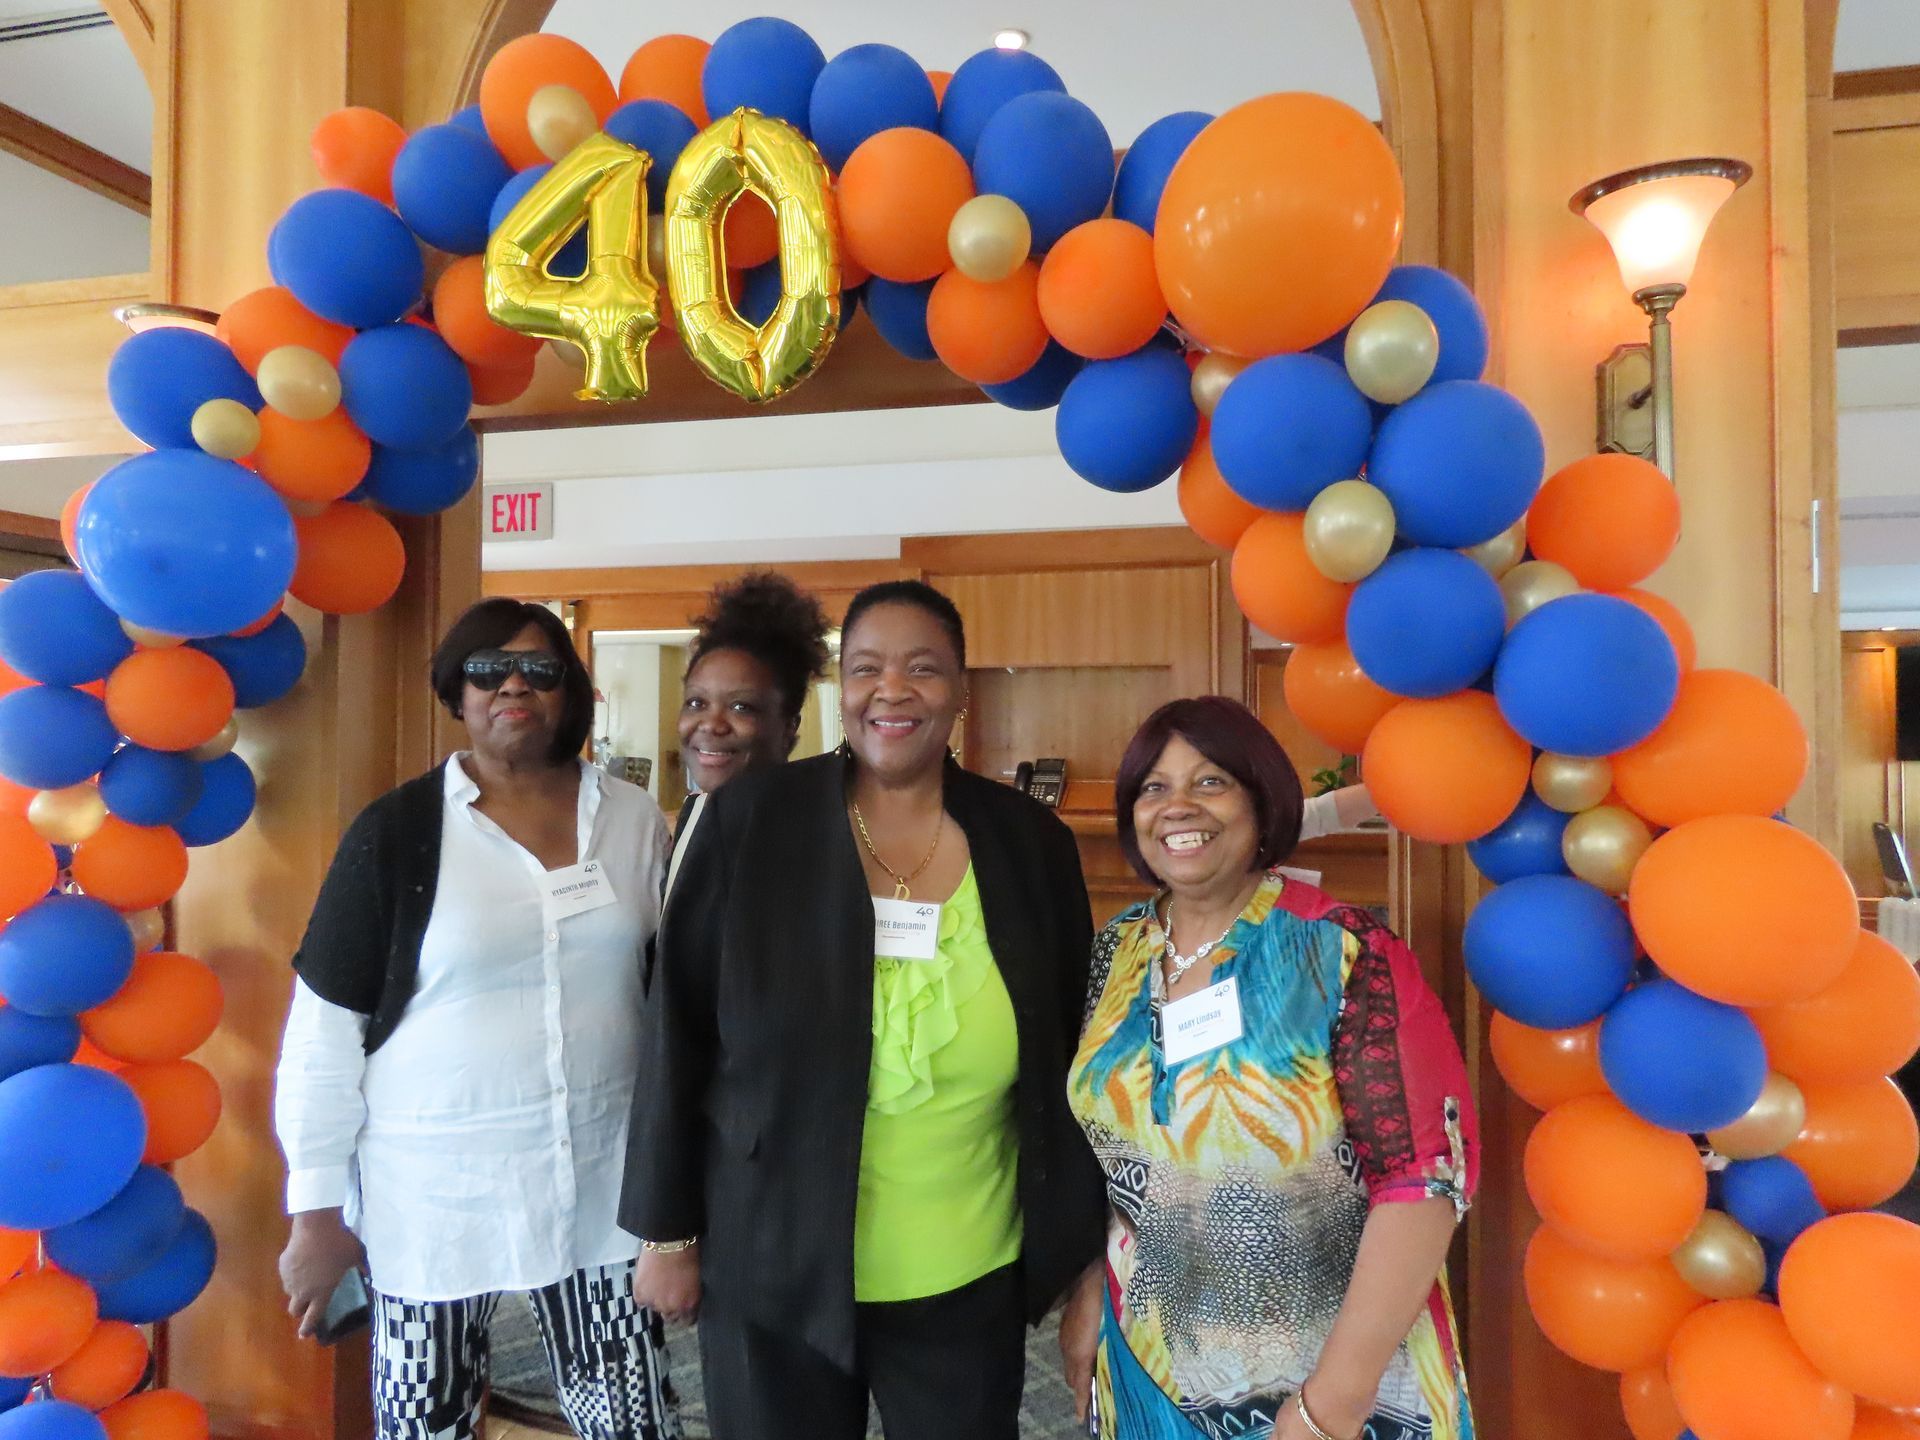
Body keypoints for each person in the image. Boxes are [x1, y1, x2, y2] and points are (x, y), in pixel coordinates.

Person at [622, 579, 1106, 1440]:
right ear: (839, 688)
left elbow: (1071, 1045)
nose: (893, 690)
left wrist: (1083, 1249)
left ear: (960, 691)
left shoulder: (1031, 844)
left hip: (969, 1267)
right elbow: (677, 1032)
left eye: (924, 669)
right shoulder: (749, 821)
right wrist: (666, 1234)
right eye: (868, 668)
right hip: (773, 1258)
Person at [274, 598, 679, 1440]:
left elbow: (671, 993)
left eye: (539, 669)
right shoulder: (396, 835)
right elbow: (322, 1036)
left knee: (632, 1422)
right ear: (456, 691)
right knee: (427, 1424)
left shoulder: (636, 822)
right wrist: (314, 1213)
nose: (513, 687)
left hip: (602, 1189)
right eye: (488, 670)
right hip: (434, 1200)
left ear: (571, 691)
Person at [1063, 696, 1478, 1440]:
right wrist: (1088, 1291)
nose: (1177, 806)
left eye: (1211, 781)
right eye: (1153, 787)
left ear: (1264, 799)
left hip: (1337, 1389)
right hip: (1149, 1375)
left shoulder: (1344, 952)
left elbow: (1424, 1179)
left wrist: (1334, 1405)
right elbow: (1114, 1153)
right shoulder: (1115, 951)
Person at [668, 571, 831, 889]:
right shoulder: (695, 818)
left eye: (741, 707)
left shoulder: (814, 838)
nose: (712, 724)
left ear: (789, 728)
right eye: (697, 703)